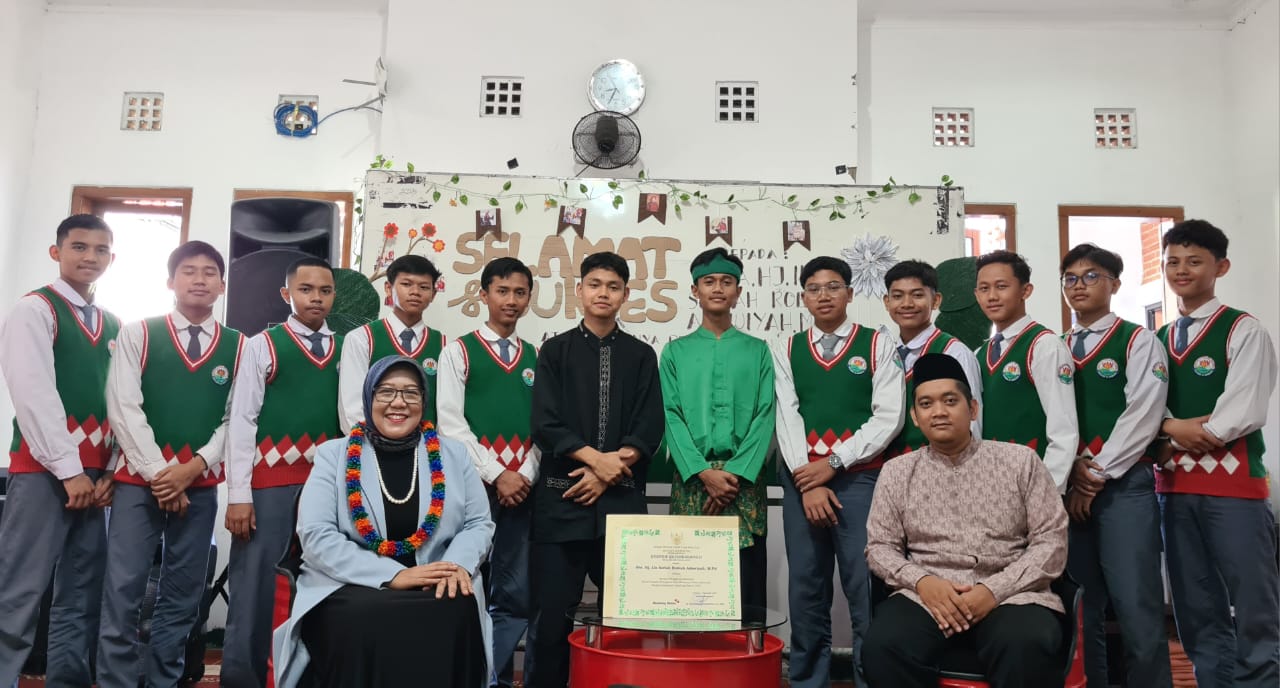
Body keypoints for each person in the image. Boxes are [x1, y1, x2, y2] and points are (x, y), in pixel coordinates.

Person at [272, 355, 495, 688]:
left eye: (410, 393)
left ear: (424, 401)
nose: (398, 402)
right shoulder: (334, 455)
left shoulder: (454, 454)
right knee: (363, 613)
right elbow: (316, 535)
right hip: (349, 583)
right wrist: (394, 575)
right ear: (368, 399)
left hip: (435, 578)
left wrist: (454, 567)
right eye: (386, 391)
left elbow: (478, 523)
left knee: (456, 605)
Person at [862, 353, 1069, 688]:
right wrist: (923, 582)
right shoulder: (897, 473)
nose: (939, 412)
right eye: (926, 404)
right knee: (884, 647)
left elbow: (1052, 542)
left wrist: (992, 590)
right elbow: (880, 548)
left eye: (950, 401)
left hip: (1012, 595)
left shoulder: (1020, 462)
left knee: (1026, 644)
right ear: (915, 416)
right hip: (926, 596)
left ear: (972, 409)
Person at [98, 241, 245, 688]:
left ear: (222, 285)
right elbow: (124, 408)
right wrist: (162, 477)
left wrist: (192, 469)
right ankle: (117, 682)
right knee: (122, 590)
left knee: (183, 594)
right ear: (170, 281)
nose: (199, 279)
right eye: (188, 271)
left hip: (199, 486)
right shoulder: (139, 334)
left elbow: (237, 419)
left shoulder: (240, 346)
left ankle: (165, 679)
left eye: (209, 272)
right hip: (137, 485)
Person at [526, 251, 665, 688]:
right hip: (562, 501)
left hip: (622, 504)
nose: (603, 293)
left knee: (623, 619)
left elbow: (649, 427)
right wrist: (598, 461)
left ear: (625, 294)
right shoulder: (555, 351)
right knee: (551, 621)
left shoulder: (641, 355)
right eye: (595, 284)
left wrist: (608, 471)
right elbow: (545, 424)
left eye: (613, 286)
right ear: (579, 290)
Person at [1152, 220, 1278, 688]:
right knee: (1195, 603)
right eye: (1173, 262)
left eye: (1194, 261)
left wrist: (1183, 433)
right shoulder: (1159, 338)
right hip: (1174, 488)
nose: (1181, 270)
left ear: (1221, 267)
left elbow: (1242, 411)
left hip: (1235, 489)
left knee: (1254, 603)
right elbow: (1144, 408)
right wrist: (1171, 427)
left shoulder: (1243, 330)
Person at [773, 256, 905, 688]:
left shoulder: (877, 344)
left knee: (864, 585)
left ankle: (872, 678)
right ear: (803, 297)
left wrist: (832, 463)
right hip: (802, 483)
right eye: (814, 288)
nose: (823, 295)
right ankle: (808, 680)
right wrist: (806, 478)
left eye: (833, 287)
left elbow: (889, 417)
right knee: (806, 589)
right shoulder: (787, 348)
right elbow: (786, 416)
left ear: (849, 293)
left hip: (860, 479)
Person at [0, 214, 120, 687]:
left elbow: (121, 404)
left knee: (82, 593)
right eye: (79, 247)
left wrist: (111, 470)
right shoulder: (35, 309)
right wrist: (70, 471)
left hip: (96, 478)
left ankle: (67, 681)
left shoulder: (114, 324)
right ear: (56, 252)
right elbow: (33, 394)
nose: (90, 256)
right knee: (19, 589)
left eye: (100, 249)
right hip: (44, 472)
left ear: (112, 258)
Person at [222, 257, 342, 688]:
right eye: (306, 289)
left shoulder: (349, 349)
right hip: (269, 485)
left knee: (326, 583)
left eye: (325, 290)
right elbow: (242, 421)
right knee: (255, 588)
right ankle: (244, 679)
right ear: (286, 294)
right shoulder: (263, 345)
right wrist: (239, 495)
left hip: (328, 487)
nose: (316, 298)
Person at [1058, 243, 1172, 687]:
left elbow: (1144, 414)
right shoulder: (1055, 347)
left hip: (1124, 486)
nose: (1079, 286)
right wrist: (1074, 473)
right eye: (1070, 278)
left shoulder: (1138, 341)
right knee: (1080, 608)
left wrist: (1096, 474)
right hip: (1069, 488)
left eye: (1091, 276)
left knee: (1137, 605)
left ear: (1115, 284)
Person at [437, 257, 540, 688]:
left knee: (516, 591)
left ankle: (495, 677)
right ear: (484, 295)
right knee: (463, 581)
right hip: (473, 489)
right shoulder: (458, 352)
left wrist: (525, 475)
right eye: (502, 291)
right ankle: (463, 675)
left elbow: (544, 427)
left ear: (529, 298)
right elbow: (450, 424)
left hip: (524, 491)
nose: (511, 300)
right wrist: (499, 474)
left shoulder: (537, 356)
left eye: (520, 292)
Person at [662, 248, 775, 608]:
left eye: (727, 282)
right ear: (694, 291)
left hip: (744, 486)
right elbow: (670, 415)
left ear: (738, 292)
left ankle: (746, 647)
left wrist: (735, 475)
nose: (717, 288)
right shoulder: (674, 352)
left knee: (747, 591)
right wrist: (703, 472)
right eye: (709, 281)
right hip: (693, 483)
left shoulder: (758, 351)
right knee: (691, 589)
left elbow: (765, 415)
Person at [974, 249, 1078, 490]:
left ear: (1025, 290)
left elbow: (1063, 429)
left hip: (1032, 485)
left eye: (1001, 286)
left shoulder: (1044, 345)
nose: (992, 296)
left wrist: (1045, 492)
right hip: (990, 486)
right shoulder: (979, 353)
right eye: (984, 288)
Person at [880, 259, 981, 457]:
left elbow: (972, 422)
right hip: (889, 466)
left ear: (936, 301)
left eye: (917, 295)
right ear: (887, 302)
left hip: (941, 464)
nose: (907, 304)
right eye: (898, 296)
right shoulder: (883, 351)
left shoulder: (953, 352)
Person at [341, 255, 446, 431]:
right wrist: (370, 443)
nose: (415, 292)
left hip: (428, 444)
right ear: (388, 288)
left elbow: (445, 410)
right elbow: (351, 408)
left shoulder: (444, 345)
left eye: (424, 287)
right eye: (406, 284)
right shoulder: (361, 339)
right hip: (373, 443)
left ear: (433, 294)